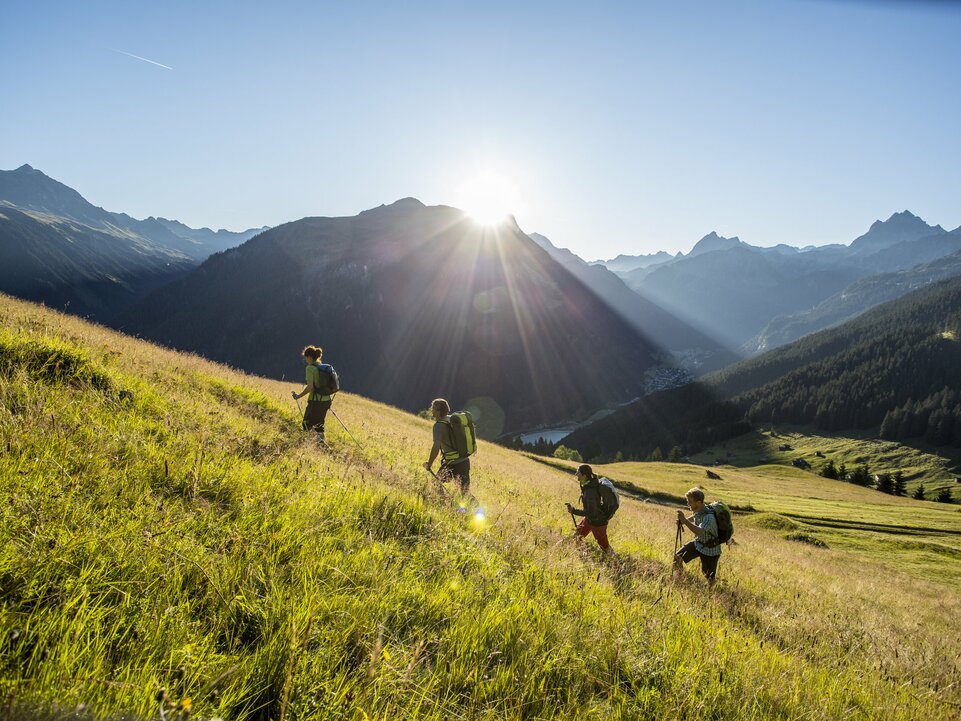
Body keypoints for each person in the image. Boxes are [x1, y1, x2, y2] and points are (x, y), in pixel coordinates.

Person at [673, 487, 721, 587]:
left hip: (710, 550)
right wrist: (683, 521)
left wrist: (685, 521)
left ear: (698, 503)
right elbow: (695, 516)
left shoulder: (709, 517)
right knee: (677, 558)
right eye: (687, 501)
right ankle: (679, 582)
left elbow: (699, 532)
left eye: (689, 501)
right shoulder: (699, 509)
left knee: (709, 577)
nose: (688, 504)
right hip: (698, 544)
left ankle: (711, 595)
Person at [565, 464, 616, 555]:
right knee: (577, 536)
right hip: (590, 519)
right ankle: (578, 554)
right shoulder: (588, 484)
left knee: (604, 547)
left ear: (584, 475)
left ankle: (616, 563)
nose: (576, 474)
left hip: (598, 522)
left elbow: (591, 511)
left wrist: (574, 511)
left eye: (578, 472)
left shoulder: (590, 491)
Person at [424, 398, 471, 494]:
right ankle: (476, 508)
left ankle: (446, 504)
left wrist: (429, 464)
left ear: (438, 411)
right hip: (464, 461)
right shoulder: (452, 419)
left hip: (452, 464)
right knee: (465, 492)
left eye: (432, 408)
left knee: (436, 484)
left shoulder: (438, 426)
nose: (431, 410)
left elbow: (436, 447)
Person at [291, 345, 334, 444]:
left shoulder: (310, 368)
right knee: (319, 422)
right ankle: (321, 442)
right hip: (327, 400)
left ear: (309, 357)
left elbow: (310, 387)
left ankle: (305, 444)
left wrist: (298, 396)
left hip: (315, 401)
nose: (305, 360)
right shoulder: (321, 366)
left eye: (306, 357)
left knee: (307, 422)